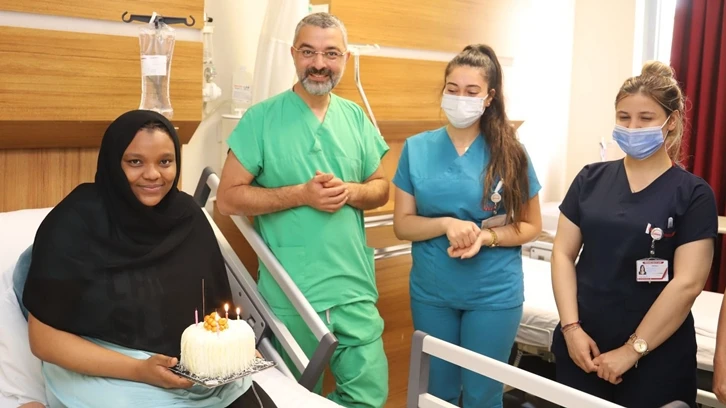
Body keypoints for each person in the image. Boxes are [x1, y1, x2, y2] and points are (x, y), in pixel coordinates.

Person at [18, 110, 273, 408]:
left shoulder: (189, 218)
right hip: (107, 373)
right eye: (135, 162)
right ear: (113, 163)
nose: (153, 175)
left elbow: (214, 315)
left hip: (193, 373)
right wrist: (140, 370)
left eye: (165, 162)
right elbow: (43, 340)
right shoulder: (74, 222)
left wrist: (233, 352)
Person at [216, 12, 390, 408]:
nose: (319, 63)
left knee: (368, 396)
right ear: (294, 54)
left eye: (331, 53)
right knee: (289, 399)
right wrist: (301, 195)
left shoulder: (355, 118)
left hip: (352, 288)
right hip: (292, 292)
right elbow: (227, 198)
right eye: (309, 52)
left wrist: (351, 191)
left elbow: (381, 188)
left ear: (345, 58)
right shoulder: (262, 119)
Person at [550, 61, 718, 408]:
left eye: (645, 118)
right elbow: (562, 254)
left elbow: (688, 283)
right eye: (624, 118)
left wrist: (632, 350)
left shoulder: (694, 194)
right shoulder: (589, 179)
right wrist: (571, 329)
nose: (632, 127)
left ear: (671, 121)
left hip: (658, 354)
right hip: (583, 346)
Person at [391, 44, 542, 407]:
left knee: (482, 395)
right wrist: (446, 223)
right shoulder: (416, 148)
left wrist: (486, 237)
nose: (460, 98)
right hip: (433, 292)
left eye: (472, 91)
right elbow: (403, 225)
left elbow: (531, 225)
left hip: (492, 294)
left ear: (489, 98)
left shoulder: (511, 152)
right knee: (435, 394)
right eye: (452, 89)